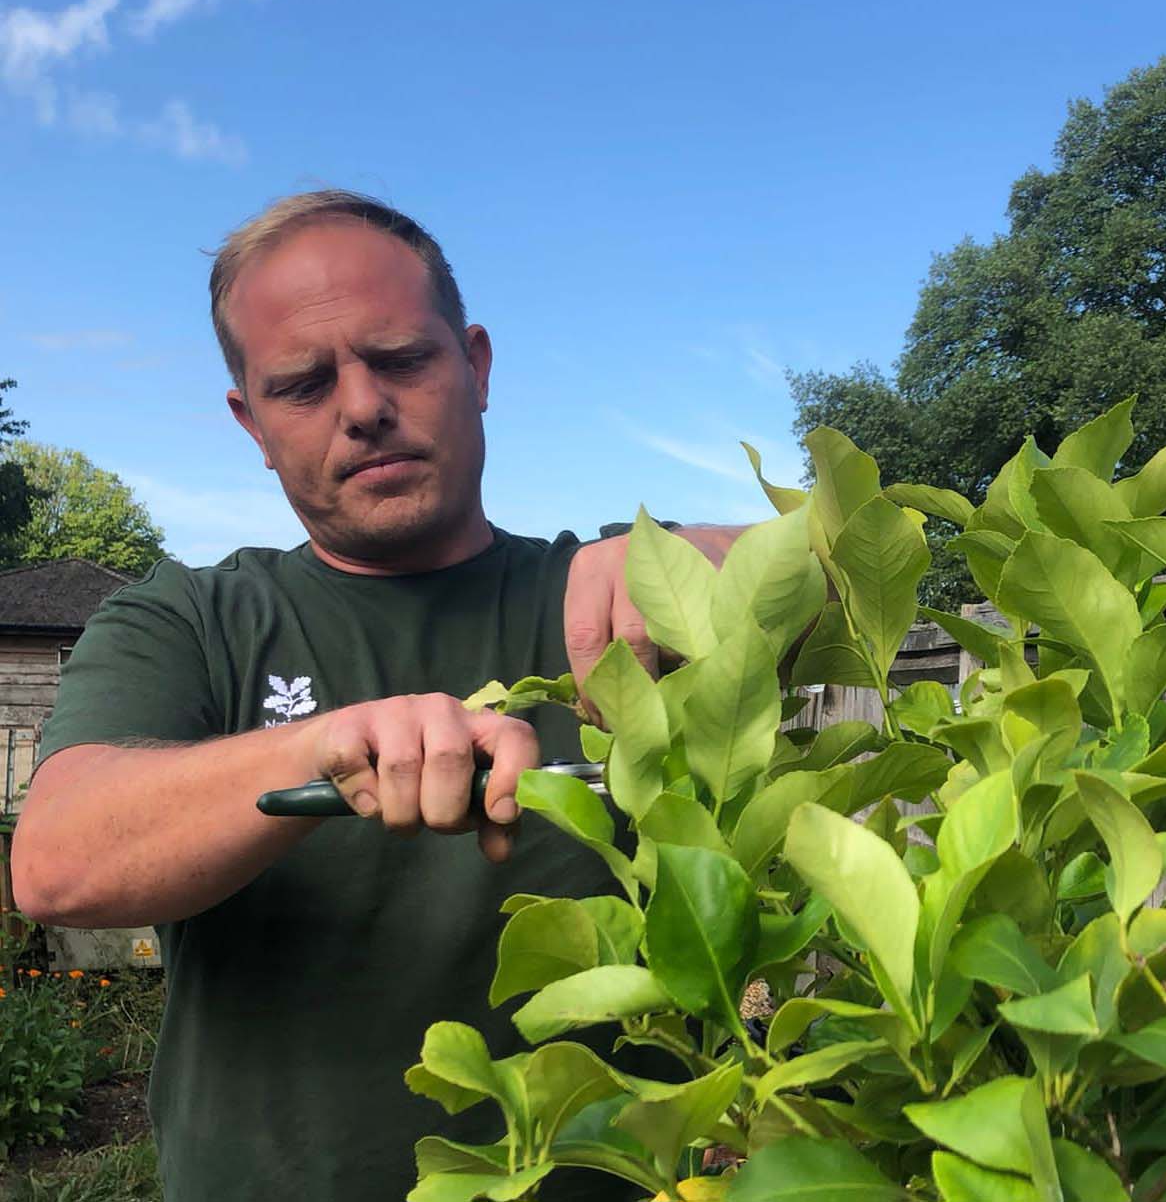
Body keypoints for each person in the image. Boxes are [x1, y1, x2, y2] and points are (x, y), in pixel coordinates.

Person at [10, 190, 739, 1200]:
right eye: (303, 383)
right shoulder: (188, 618)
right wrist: (321, 746)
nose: (361, 406)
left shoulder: (614, 601)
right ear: (251, 423)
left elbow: (858, 573)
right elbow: (59, 862)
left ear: (474, 365)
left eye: (400, 357)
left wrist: (714, 560)